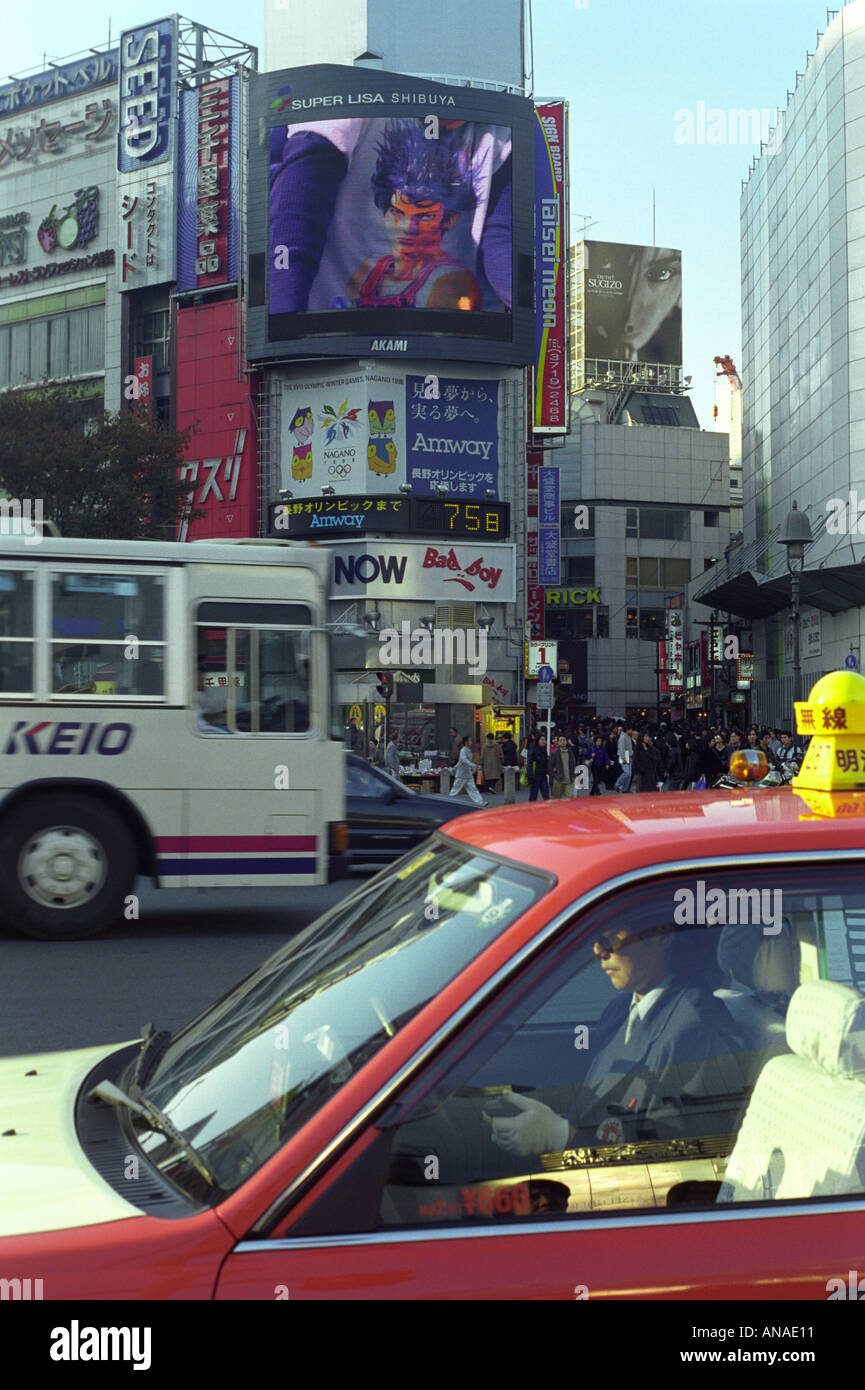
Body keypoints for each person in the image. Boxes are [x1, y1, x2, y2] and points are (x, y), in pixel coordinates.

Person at [483, 920, 745, 1156]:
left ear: (663, 936)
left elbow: (680, 1162)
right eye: (594, 940)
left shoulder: (698, 1030)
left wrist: (564, 1138)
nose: (599, 951)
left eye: (610, 937)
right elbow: (598, 1107)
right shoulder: (620, 1010)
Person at [450, 736, 484, 806]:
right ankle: (448, 801)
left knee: (473, 788)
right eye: (470, 741)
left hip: (468, 774)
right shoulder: (463, 750)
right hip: (462, 774)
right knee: (455, 790)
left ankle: (480, 802)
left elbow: (460, 761)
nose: (471, 742)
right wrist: (473, 765)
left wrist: (455, 767)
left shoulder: (468, 750)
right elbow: (464, 760)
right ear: (466, 742)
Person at [549, 734, 576, 799]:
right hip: (558, 780)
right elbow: (550, 766)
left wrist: (573, 775)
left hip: (569, 780)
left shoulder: (570, 752)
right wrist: (554, 774)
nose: (563, 742)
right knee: (556, 800)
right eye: (561, 740)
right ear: (558, 742)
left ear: (566, 741)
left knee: (570, 800)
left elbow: (573, 764)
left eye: (564, 740)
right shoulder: (554, 753)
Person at [528, 732, 550, 801]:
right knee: (533, 796)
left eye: (545, 740)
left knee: (546, 795)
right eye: (542, 740)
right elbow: (529, 763)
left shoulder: (544, 750)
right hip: (535, 775)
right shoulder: (533, 750)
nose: (544, 742)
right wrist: (530, 775)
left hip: (543, 775)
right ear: (538, 740)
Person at [615, 724, 634, 793]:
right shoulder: (622, 737)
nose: (631, 731)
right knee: (627, 773)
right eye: (631, 729)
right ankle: (617, 784)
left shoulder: (628, 736)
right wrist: (623, 758)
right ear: (628, 730)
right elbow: (621, 748)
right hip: (625, 756)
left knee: (629, 774)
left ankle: (625, 789)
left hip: (629, 756)